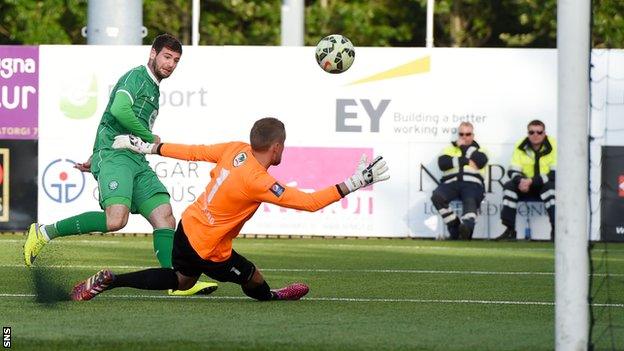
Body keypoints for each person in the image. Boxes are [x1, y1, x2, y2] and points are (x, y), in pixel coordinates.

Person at [69, 117, 390, 302]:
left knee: (179, 279)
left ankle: (112, 280)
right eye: (284, 145)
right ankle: (274, 296)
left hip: (188, 226)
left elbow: (194, 152)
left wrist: (151, 147)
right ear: (277, 147)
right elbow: (308, 203)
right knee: (253, 279)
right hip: (210, 250)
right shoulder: (259, 181)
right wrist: (354, 182)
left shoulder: (236, 149)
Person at [24, 33, 217, 295]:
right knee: (116, 220)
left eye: (176, 60)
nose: (170, 64)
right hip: (116, 156)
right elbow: (119, 110)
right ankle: (45, 232)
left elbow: (118, 125)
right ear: (153, 54)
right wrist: (147, 139)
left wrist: (98, 155)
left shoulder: (153, 88)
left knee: (165, 217)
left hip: (134, 159)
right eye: (167, 57)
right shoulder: (137, 77)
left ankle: (176, 282)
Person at [495, 119, 556, 241]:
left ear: (544, 133)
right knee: (509, 187)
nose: (535, 135)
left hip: (544, 184)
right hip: (525, 185)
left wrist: (532, 181)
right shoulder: (520, 145)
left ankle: (556, 230)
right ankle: (510, 229)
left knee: (550, 188)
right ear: (527, 133)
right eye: (531, 132)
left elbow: (555, 173)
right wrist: (521, 181)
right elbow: (513, 170)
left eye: (539, 132)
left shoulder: (553, 144)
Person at [431, 122, 488, 240]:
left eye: (468, 134)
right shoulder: (449, 148)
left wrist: (463, 148)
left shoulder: (480, 149)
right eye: (461, 134)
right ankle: (455, 227)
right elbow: (443, 163)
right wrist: (466, 161)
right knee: (437, 196)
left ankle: (467, 227)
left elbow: (481, 161)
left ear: (473, 135)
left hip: (472, 183)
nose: (464, 137)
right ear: (458, 134)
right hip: (451, 182)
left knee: (470, 198)